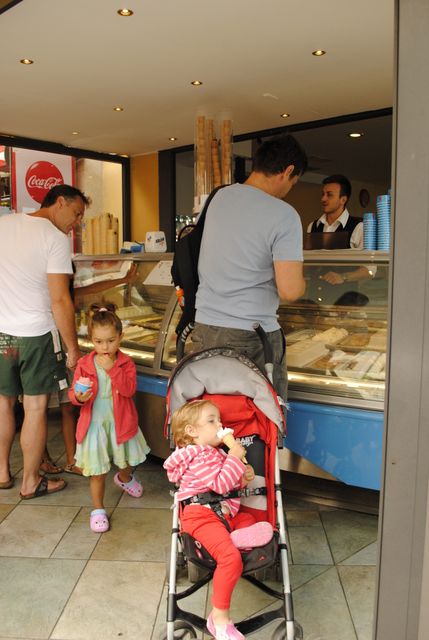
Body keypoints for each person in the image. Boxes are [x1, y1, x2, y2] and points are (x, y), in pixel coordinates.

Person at [192, 135, 308, 401]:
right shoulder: (284, 215)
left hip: (205, 328)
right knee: (258, 418)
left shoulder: (218, 198)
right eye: (293, 182)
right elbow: (290, 291)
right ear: (288, 171)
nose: (289, 189)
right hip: (251, 334)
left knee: (214, 416)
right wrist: (304, 282)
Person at [0, 184, 88, 497]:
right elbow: (60, 300)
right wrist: (73, 349)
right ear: (59, 202)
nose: (76, 222)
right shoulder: (54, 238)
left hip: (2, 334)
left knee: (3, 403)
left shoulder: (4, 224)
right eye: (76, 213)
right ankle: (30, 481)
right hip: (37, 335)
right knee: (35, 408)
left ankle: (2, 472)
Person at [164, 399, 273, 640]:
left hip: (223, 515)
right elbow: (220, 484)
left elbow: (229, 485)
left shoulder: (215, 453)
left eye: (220, 420)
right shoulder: (196, 456)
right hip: (201, 516)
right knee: (230, 559)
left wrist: (243, 477)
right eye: (212, 421)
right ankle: (220, 619)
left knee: (248, 519)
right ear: (192, 431)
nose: (220, 425)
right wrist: (233, 458)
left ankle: (235, 538)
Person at [69, 303, 150, 533]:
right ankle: (98, 510)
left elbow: (128, 390)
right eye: (99, 341)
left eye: (111, 341)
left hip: (120, 423)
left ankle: (124, 478)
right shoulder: (84, 364)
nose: (105, 347)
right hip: (94, 425)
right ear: (91, 340)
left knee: (128, 461)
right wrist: (79, 397)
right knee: (98, 472)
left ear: (120, 337)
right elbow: (74, 394)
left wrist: (113, 369)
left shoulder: (126, 363)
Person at [306, 174, 375, 295]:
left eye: (329, 195)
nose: (323, 199)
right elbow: (307, 261)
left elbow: (369, 270)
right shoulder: (313, 226)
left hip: (343, 299)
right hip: (314, 297)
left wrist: (343, 277)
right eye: (323, 194)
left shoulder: (359, 227)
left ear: (343, 199)